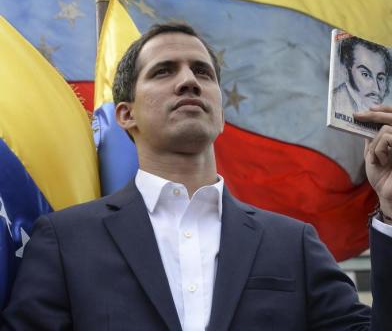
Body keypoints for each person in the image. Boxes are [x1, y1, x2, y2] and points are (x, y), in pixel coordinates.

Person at [2, 23, 392, 330]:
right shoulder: (63, 240)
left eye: (202, 72)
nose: (188, 80)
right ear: (126, 114)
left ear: (220, 111)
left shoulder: (293, 243)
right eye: (163, 71)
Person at [333, 36, 392, 114]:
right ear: (346, 71)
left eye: (380, 78)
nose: (376, 89)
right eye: (365, 74)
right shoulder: (334, 103)